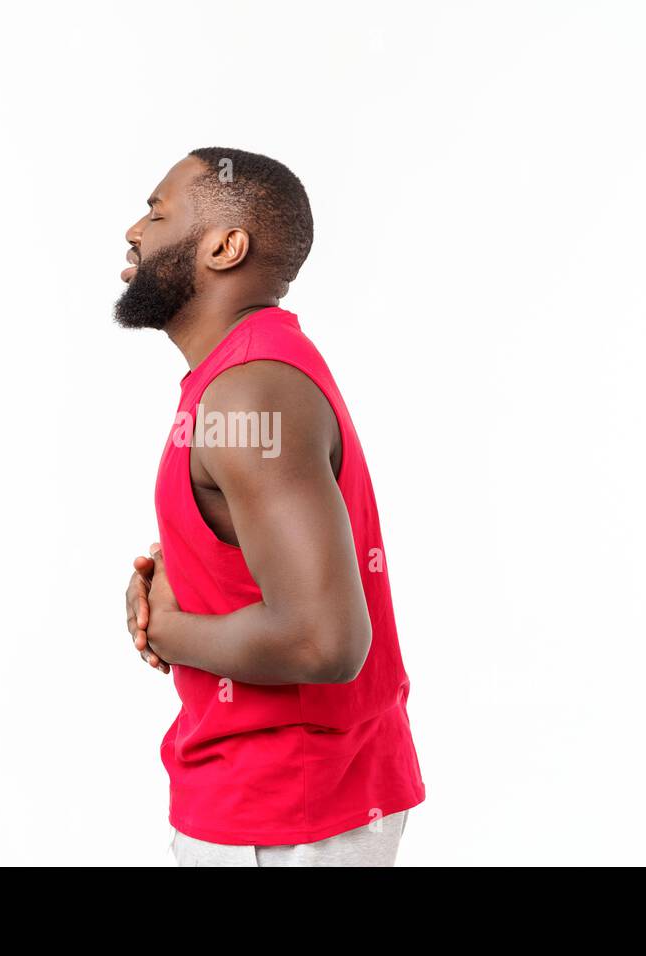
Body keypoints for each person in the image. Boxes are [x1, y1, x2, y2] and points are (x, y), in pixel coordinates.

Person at [118, 148, 425, 866]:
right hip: (268, 806)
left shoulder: (250, 391)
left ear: (226, 246)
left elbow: (325, 641)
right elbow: (260, 563)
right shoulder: (237, 377)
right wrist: (169, 578)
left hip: (289, 819)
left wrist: (168, 628)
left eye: (159, 212)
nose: (134, 229)